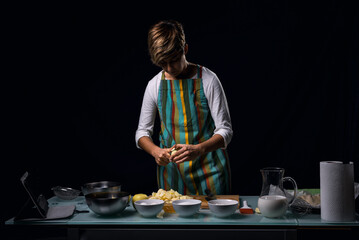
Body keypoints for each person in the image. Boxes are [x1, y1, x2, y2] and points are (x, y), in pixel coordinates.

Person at [135, 20, 233, 195]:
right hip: (172, 175)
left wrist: (199, 149)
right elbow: (142, 133)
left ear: (185, 50)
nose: (169, 68)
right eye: (162, 63)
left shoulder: (209, 80)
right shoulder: (154, 85)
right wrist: (155, 151)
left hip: (210, 173)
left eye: (173, 61)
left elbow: (225, 131)